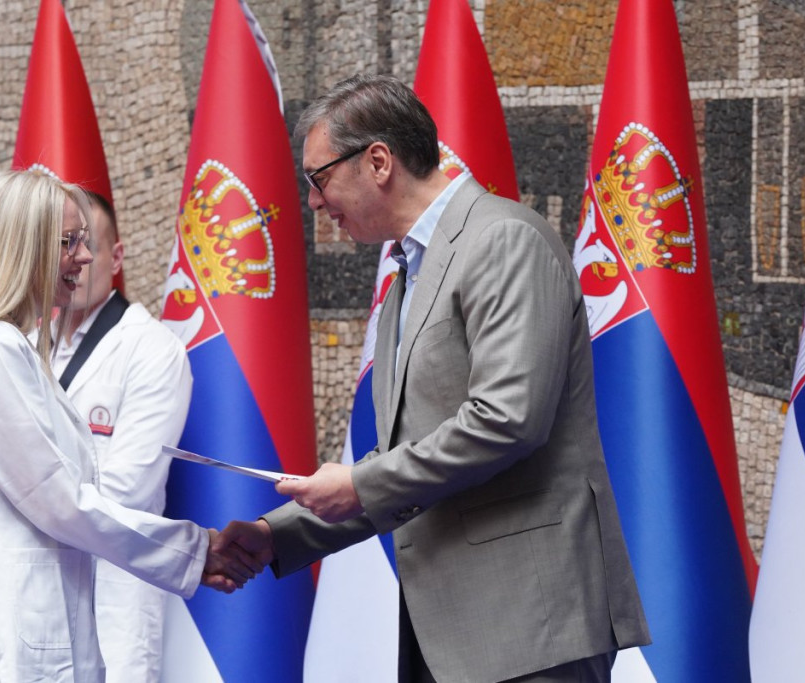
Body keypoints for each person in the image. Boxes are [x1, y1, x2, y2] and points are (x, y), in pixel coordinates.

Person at [217, 74, 651, 682]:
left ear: (378, 161)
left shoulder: (503, 239)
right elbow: (408, 458)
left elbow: (506, 420)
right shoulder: (408, 274)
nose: (313, 201)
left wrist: (359, 483)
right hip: (452, 632)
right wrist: (273, 535)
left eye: (318, 178)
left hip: (531, 628)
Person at [0, 170, 255, 682]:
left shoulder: (4, 345)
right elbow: (59, 498)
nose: (86, 257)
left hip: (27, 616)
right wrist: (193, 550)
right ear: (22, 246)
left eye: (85, 241)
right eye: (68, 242)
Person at [50, 191, 192, 682]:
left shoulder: (153, 350)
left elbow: (127, 491)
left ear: (116, 257)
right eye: (62, 244)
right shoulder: (26, 343)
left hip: (113, 600)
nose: (76, 259)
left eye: (88, 244)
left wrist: (31, 497)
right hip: (32, 596)